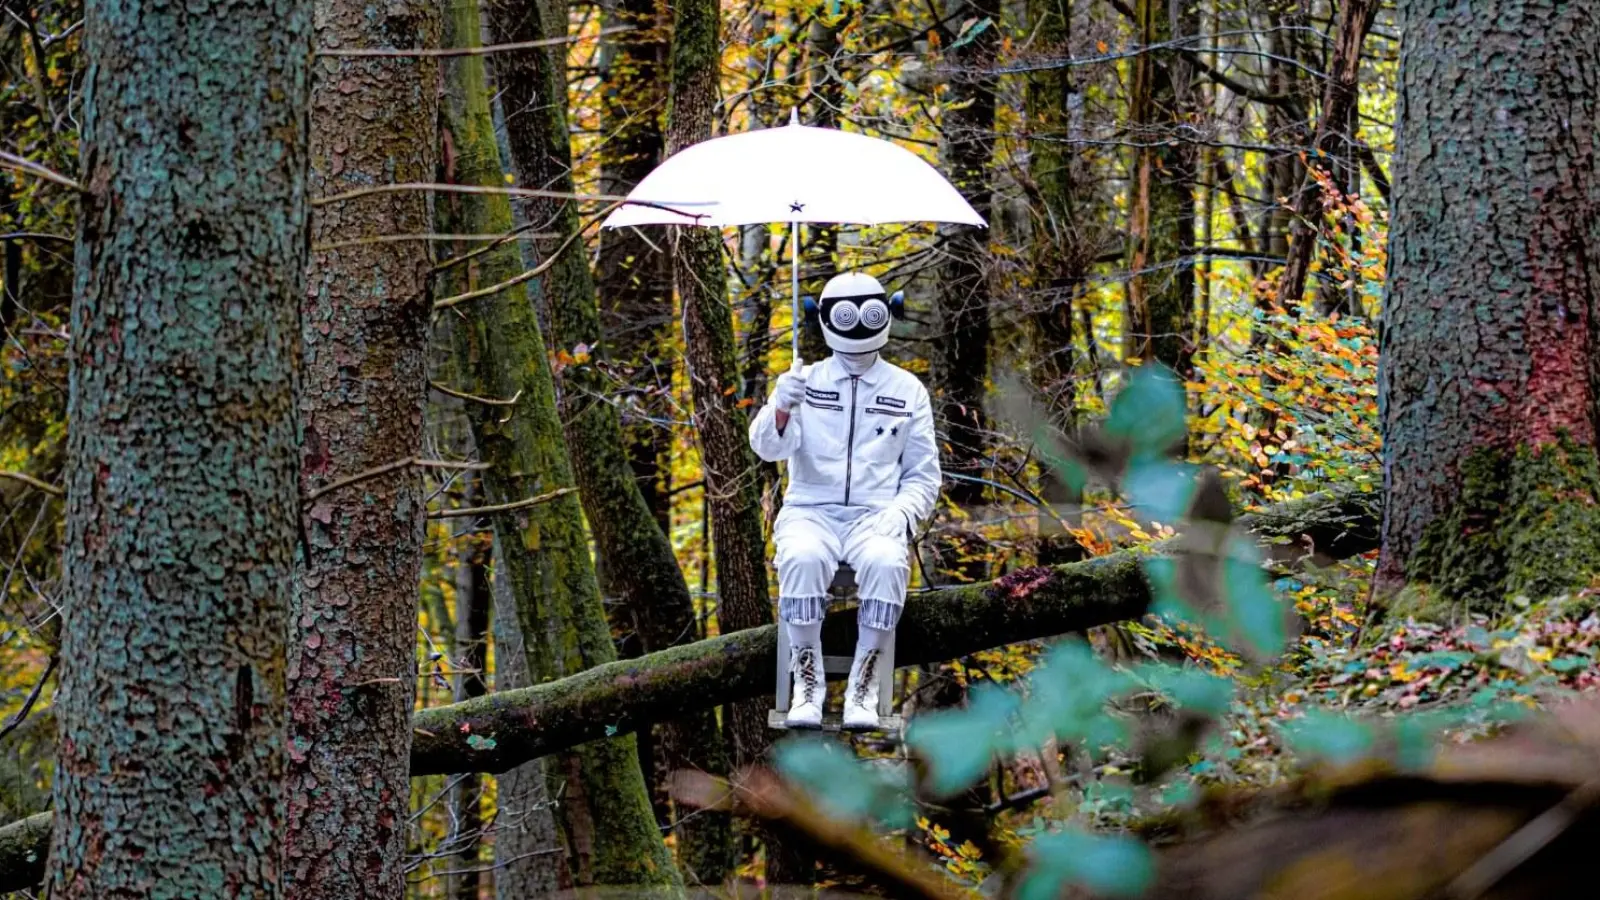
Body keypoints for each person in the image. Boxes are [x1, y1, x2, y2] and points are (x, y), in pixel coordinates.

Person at [748, 271, 941, 729]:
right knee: (802, 557)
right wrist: (780, 404)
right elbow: (768, 449)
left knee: (887, 563)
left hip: (875, 512)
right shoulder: (803, 380)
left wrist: (901, 512)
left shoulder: (906, 390)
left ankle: (864, 683)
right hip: (810, 509)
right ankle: (807, 682)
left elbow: (923, 474)